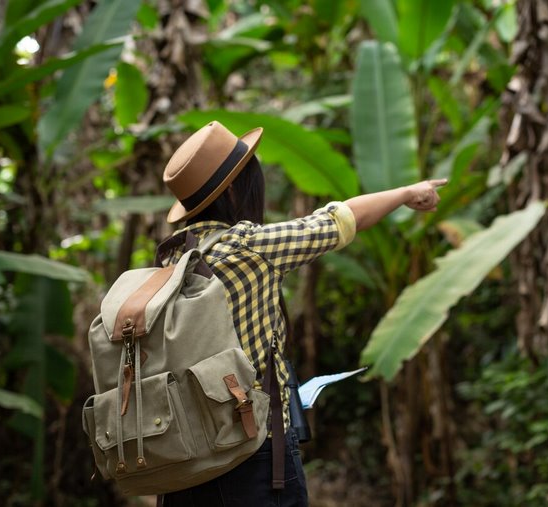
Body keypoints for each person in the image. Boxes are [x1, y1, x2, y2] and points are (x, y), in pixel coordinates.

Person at [156, 121, 446, 506]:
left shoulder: (170, 260)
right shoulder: (247, 246)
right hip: (250, 453)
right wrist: (409, 191)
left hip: (183, 461)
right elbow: (339, 220)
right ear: (233, 190)